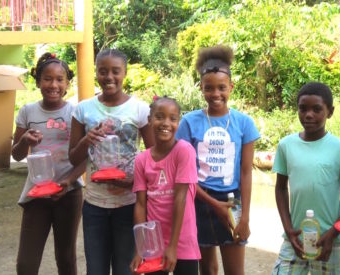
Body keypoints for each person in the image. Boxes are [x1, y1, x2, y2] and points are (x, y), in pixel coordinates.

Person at [68, 49, 154, 275]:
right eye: (103, 71)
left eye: (115, 71)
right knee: (95, 269)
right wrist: (87, 140)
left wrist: (134, 181)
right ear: (96, 72)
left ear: (124, 73)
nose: (109, 77)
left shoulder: (140, 109)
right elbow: (73, 157)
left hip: (128, 204)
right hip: (94, 204)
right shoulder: (83, 109)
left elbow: (154, 156)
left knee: (125, 269)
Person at [176, 45, 260, 275]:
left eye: (222, 87)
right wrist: (214, 205)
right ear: (201, 88)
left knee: (235, 271)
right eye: (209, 88)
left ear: (231, 87)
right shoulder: (189, 123)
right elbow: (185, 174)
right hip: (198, 201)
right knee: (208, 270)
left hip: (232, 201)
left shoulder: (244, 124)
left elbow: (245, 172)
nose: (216, 94)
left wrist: (244, 217)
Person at [271, 82, 340, 275]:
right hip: (296, 238)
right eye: (303, 108)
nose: (308, 115)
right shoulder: (286, 145)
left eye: (317, 109)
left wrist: (334, 233)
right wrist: (289, 229)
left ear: (330, 112)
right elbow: (281, 188)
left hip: (331, 241)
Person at [12, 52, 85, 275]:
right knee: (26, 264)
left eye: (59, 79)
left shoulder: (76, 112)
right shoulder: (28, 112)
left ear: (67, 83)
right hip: (36, 194)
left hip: (69, 193)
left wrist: (69, 180)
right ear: (38, 81)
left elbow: (87, 156)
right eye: (47, 78)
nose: (53, 84)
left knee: (66, 258)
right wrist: (25, 140)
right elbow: (16, 154)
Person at [130, 96, 200, 275]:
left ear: (178, 121)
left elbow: (180, 197)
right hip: (154, 244)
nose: (166, 123)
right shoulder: (141, 159)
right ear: (149, 120)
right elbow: (140, 204)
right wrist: (141, 248)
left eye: (172, 118)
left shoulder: (184, 151)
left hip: (182, 240)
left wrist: (173, 246)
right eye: (159, 116)